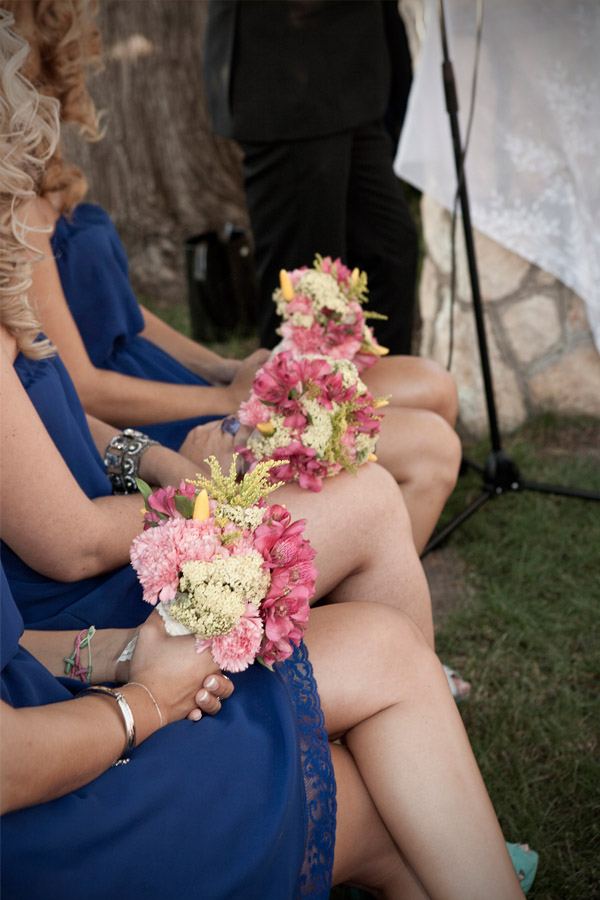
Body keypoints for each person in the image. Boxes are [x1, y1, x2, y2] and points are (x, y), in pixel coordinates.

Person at [0, 15, 537, 897]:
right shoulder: (18, 223)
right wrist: (199, 495)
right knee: (372, 499)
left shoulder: (28, 229)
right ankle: (411, 774)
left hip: (101, 555)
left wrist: (203, 401)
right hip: (89, 588)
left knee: (407, 446)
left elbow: (76, 389)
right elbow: (67, 530)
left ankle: (418, 772)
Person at [6, 0, 462, 554]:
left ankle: (352, 573)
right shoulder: (16, 203)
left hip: (170, 379)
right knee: (430, 447)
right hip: (141, 415)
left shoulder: (43, 163)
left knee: (434, 387)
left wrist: (223, 366)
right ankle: (333, 586)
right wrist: (221, 399)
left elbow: (123, 313)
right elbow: (80, 383)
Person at [204, 0, 419, 354]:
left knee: (388, 253)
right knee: (309, 294)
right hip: (289, 73)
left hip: (356, 73)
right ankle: (303, 406)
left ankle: (380, 405)